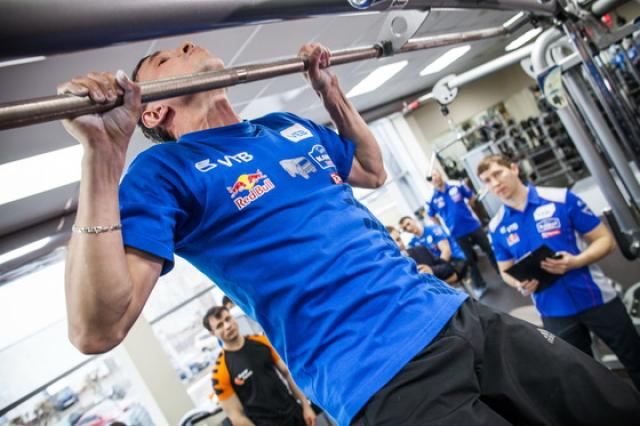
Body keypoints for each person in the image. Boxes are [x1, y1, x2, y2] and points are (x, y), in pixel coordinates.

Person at [59, 41, 640, 425]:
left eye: (186, 44)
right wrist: (101, 157)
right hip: (378, 374)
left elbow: (372, 168)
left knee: (612, 406)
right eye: (165, 59)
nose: (187, 46)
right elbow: (98, 329)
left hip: (455, 314)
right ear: (153, 111)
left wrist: (329, 93)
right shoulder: (164, 171)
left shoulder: (283, 126)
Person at [477, 154, 640, 391]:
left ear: (514, 168)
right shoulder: (497, 227)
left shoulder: (561, 199)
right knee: (582, 381)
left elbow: (605, 240)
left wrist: (576, 261)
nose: (495, 183)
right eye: (487, 180)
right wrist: (519, 284)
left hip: (596, 297)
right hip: (552, 311)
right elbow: (505, 272)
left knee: (635, 358)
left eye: (497, 174)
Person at [203, 306, 316, 426]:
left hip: (294, 415)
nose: (227, 326)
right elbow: (236, 416)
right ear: (213, 333)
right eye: (219, 325)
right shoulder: (219, 373)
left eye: (227, 319)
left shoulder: (262, 341)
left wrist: (305, 405)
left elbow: (287, 373)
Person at [426, 169, 498, 296]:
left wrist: (467, 209)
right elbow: (431, 215)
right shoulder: (432, 198)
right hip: (456, 233)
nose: (435, 178)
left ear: (440, 174)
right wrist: (442, 225)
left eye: (435, 175)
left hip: (473, 225)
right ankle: (480, 285)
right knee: (469, 260)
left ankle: (502, 272)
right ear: (430, 182)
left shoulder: (456, 185)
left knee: (489, 249)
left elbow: (471, 197)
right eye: (431, 178)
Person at [398, 216, 467, 281]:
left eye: (408, 224)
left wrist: (435, 270)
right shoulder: (412, 243)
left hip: (455, 260)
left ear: (414, 221)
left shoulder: (433, 229)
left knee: (438, 281)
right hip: (436, 268)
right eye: (405, 228)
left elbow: (446, 251)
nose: (408, 228)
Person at [386, 226, 458, 284]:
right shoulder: (390, 270)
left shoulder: (420, 250)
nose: (399, 245)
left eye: (398, 239)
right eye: (393, 243)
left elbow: (448, 268)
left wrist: (431, 270)